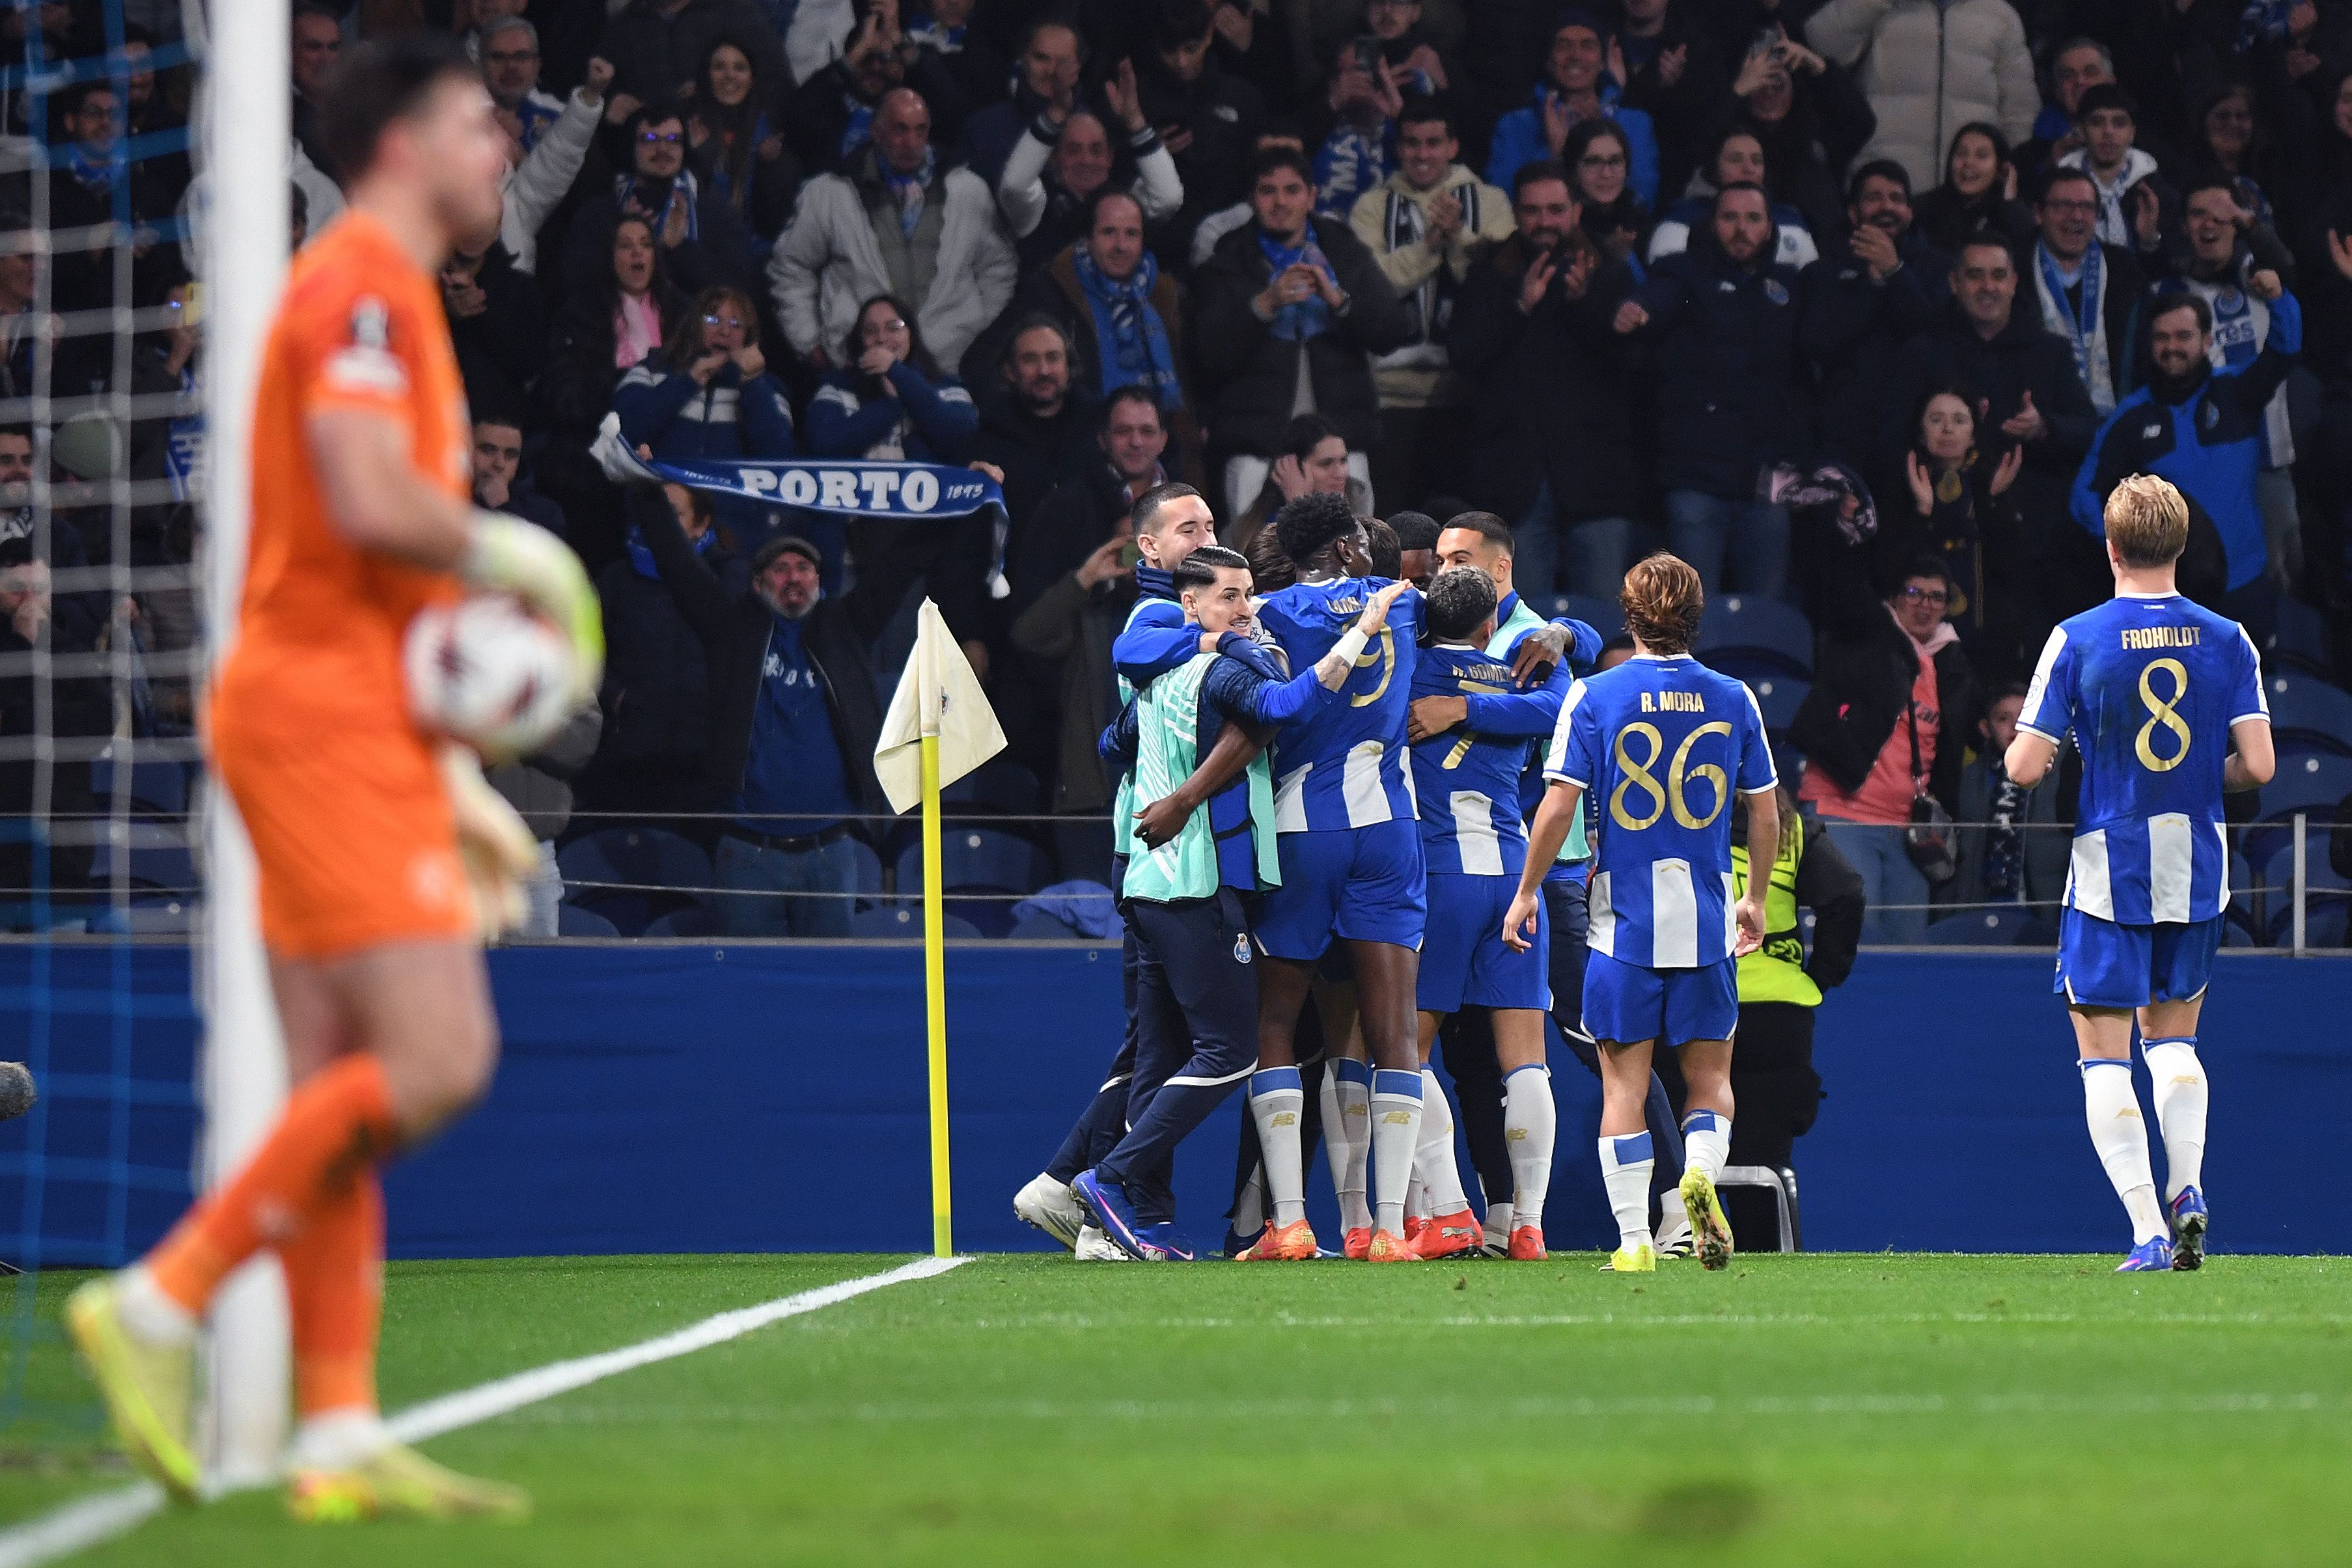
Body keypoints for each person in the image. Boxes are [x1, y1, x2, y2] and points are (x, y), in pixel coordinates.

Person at [68, 34, 602, 1518]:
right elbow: (375, 504)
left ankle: (338, 1433)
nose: (502, 150)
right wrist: (527, 556)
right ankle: (162, 1300)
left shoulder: (399, 301)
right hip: (315, 718)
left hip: (340, 711)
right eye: (479, 126)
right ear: (399, 146)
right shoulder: (361, 280)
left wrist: (458, 785)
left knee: (335, 1084)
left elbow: (379, 583)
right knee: (436, 1061)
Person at [1073, 555, 1413, 1259]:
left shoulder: (1159, 677)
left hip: (1143, 882)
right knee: (1231, 1052)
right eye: (1229, 597)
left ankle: (1136, 1218)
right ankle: (1109, 1177)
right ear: (1191, 606)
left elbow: (1111, 743)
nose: (1246, 607)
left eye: (1249, 593)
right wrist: (1360, 636)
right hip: (1196, 880)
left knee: (1161, 1054)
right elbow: (1287, 707)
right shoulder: (1231, 670)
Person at [2005, 474, 2275, 1271]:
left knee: (2103, 1056)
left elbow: (2024, 766)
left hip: (2107, 870)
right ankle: (2187, 1188)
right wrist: (2193, 773)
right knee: (2174, 1044)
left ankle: (2145, 1231)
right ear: (2182, 545)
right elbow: (2257, 765)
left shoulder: (2078, 637)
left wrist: (2066, 750)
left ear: (2112, 547)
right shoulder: (2228, 639)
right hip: (2195, 866)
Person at [1507, 551, 1778, 1272]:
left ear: (1628, 616)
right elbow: (1764, 811)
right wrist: (1752, 898)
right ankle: (1697, 1173)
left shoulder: (1593, 697)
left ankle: (1633, 1243)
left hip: (1619, 928)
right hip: (1706, 925)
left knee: (1623, 1086)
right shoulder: (1735, 697)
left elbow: (1558, 805)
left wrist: (1528, 890)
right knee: (1708, 1082)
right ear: (1697, 613)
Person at [1010, 482, 1223, 1257]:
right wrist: (1220, 642)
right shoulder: (1159, 615)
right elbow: (1130, 655)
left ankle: (1070, 1179)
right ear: (1150, 550)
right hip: (1161, 856)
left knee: (1154, 1042)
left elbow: (1117, 737)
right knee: (1180, 1047)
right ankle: (1113, 1200)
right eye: (1186, 527)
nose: (1203, 534)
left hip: (1156, 853)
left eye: (1208, 522)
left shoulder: (1191, 613)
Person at [1234, 492, 1427, 1263]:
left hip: (1298, 831)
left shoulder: (1267, 614)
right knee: (1394, 1034)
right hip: (1387, 830)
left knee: (1277, 1022)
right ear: (1351, 545)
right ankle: (1385, 1228)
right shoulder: (1405, 608)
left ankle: (1288, 1220)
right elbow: (1494, 615)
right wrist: (1562, 631)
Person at [1405, 563, 1568, 1261]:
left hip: (1438, 880)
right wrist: (1561, 632)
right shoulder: (1528, 681)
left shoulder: (1407, 676)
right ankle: (1526, 1223)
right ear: (1489, 625)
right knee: (1527, 1062)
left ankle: (1449, 1210)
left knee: (1402, 1053)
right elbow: (1561, 700)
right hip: (1512, 878)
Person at [1657, 781, 1862, 1247]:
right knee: (1761, 1161)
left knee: (1681, 1135)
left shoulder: (1674, 827)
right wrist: (1823, 973)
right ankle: (1762, 1256)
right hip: (1778, 1013)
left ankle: (1680, 1232)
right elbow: (1847, 891)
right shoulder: (1793, 832)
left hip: (1693, 1001)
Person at [1450, 159, 1641, 601]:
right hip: (1515, 483)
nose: (1544, 222)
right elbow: (1463, 356)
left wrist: (1586, 304)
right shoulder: (1488, 275)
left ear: (1576, 211)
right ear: (1516, 213)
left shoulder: (1609, 273)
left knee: (1601, 622)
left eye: (1555, 210)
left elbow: (1632, 366)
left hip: (1597, 481)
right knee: (1523, 626)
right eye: (1533, 211)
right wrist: (1517, 307)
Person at [1191, 145, 1409, 525]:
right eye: (1268, 191)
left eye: (1292, 190)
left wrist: (1339, 301)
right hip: (1258, 445)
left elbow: (1391, 330)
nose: (1280, 202)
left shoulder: (1343, 251)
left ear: (1312, 196)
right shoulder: (1228, 261)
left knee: (1355, 551)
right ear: (1252, 199)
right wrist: (1263, 306)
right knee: (1253, 560)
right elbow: (1208, 357)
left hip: (1341, 439)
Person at [2071, 287, 2301, 640]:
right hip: (2173, 598)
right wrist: (2136, 552)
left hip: (2247, 586)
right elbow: (2084, 499)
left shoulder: (2238, 390)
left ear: (2207, 341)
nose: (2172, 347)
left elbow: (2285, 349)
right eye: (2162, 338)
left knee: (2254, 690)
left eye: (2183, 336)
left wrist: (2278, 298)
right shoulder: (2129, 419)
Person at [1614, 184, 1806, 598]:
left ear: (1771, 227)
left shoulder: (1789, 288)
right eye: (1730, 218)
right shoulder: (1684, 274)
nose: (1742, 229)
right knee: (1692, 614)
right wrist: (1637, 312)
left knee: (1764, 616)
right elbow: (1657, 298)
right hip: (1695, 479)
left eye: (1753, 219)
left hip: (1766, 481)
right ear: (1711, 224)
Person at [1792, 554, 1978, 943]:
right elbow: (1816, 717)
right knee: (1848, 944)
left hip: (1909, 833)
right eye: (1914, 593)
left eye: (1936, 597)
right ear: (1894, 598)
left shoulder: (1952, 665)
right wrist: (1847, 767)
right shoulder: (1864, 639)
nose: (1925, 605)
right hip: (1844, 814)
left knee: (1907, 954)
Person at [768, 87, 1018, 376]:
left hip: (952, 368)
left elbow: (998, 267)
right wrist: (809, 342)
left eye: (920, 130)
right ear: (876, 131)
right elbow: (791, 267)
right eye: (900, 129)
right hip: (858, 368)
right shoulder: (829, 193)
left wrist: (978, 336)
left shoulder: (969, 190)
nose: (911, 142)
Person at [1348, 97, 1515, 514]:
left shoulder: (1491, 202)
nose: (1422, 154)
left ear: (1453, 146)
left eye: (1433, 143)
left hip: (1467, 397)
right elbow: (1371, 289)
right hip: (1390, 400)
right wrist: (1429, 247)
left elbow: (1500, 286)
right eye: (1412, 143)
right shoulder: (1371, 207)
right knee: (1393, 530)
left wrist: (1457, 239)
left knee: (1461, 531)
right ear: (1399, 148)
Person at [2150, 180, 2302, 594]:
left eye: (2222, 213)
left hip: (2268, 461)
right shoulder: (2168, 294)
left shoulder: (2264, 280)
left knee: (2280, 578)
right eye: (2199, 213)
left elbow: (2289, 268)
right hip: (2202, 468)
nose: (2210, 223)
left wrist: (2250, 223)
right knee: (2201, 582)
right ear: (2183, 225)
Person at [1801, 0, 2038, 195]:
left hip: (1972, 196)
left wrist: (2007, 174)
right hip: (1886, 190)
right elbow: (1821, 45)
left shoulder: (1999, 15)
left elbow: (2020, 111)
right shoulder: (1877, 7)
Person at [1803, 159, 1949, 467]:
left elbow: (1932, 330)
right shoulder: (1823, 272)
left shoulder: (1939, 268)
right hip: (1843, 439)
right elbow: (1820, 344)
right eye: (1874, 198)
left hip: (1917, 436)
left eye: (1897, 199)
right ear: (1853, 213)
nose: (1887, 207)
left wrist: (1895, 272)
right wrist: (1870, 284)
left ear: (1910, 211)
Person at [1889, 385, 2031, 676]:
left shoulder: (1992, 480)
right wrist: (1922, 511)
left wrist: (1995, 503)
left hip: (1986, 642)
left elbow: (2012, 570)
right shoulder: (1900, 485)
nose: (1948, 429)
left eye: (1959, 420)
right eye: (1936, 420)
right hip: (1912, 643)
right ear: (1920, 431)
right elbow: (1892, 570)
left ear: (1973, 433)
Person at [561, 101, 760, 298]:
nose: (663, 149)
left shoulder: (714, 210)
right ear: (631, 146)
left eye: (674, 139)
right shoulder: (601, 214)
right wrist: (622, 241)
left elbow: (736, 291)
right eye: (649, 139)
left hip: (692, 326)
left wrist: (679, 249)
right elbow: (579, 286)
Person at [996, 76, 1183, 271]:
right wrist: (1056, 115)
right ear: (1054, 158)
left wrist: (1136, 122)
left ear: (1110, 157)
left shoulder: (1124, 198)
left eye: (1096, 150)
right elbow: (1014, 186)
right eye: (1073, 150)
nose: (1087, 160)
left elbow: (1167, 199)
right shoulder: (1037, 203)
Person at [1482, 11, 1660, 209]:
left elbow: (1644, 200)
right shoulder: (1514, 125)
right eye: (1563, 46)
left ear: (1603, 63)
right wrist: (1554, 155)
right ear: (1549, 63)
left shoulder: (1635, 123)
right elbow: (1503, 202)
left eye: (1588, 46)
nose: (1575, 56)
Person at [2030, 166, 2148, 420]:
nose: (2076, 216)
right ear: (2039, 213)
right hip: (2040, 426)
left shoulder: (2124, 269)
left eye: (2086, 207)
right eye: (2063, 206)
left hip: (2115, 425)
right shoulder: (2015, 271)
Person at [1953, 680, 2070, 913]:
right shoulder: (1968, 779)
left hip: (2043, 909)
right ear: (1986, 728)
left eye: (2025, 717)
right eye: (2004, 719)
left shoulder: (2060, 774)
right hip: (1977, 910)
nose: (2016, 727)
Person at [1646, 128, 1820, 271]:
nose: (1748, 169)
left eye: (1757, 161)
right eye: (1736, 160)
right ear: (1715, 167)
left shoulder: (1791, 222)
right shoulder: (1680, 221)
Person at [686, 36, 801, 245]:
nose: (730, 76)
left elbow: (777, 223)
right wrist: (694, 157)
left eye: (740, 68)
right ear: (706, 77)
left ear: (752, 79)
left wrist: (771, 169)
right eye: (719, 67)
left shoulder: (772, 133)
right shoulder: (684, 127)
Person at [2056, 85, 2170, 256]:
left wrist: (2149, 239)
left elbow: (2168, 267)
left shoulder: (2157, 191)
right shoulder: (2058, 190)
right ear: (2081, 130)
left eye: (2119, 123)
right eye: (2097, 122)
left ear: (2132, 132)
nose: (2108, 132)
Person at [1912, 122, 2036, 258]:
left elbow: (2030, 250)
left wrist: (2010, 203)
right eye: (1961, 154)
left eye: (1982, 155)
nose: (1969, 162)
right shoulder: (1923, 211)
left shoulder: (2012, 215)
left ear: (2001, 168)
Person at [1561, 118, 1649, 269]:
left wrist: (1628, 258)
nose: (1606, 174)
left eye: (1615, 161)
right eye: (1593, 162)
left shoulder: (1638, 217)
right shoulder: (1559, 223)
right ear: (1573, 170)